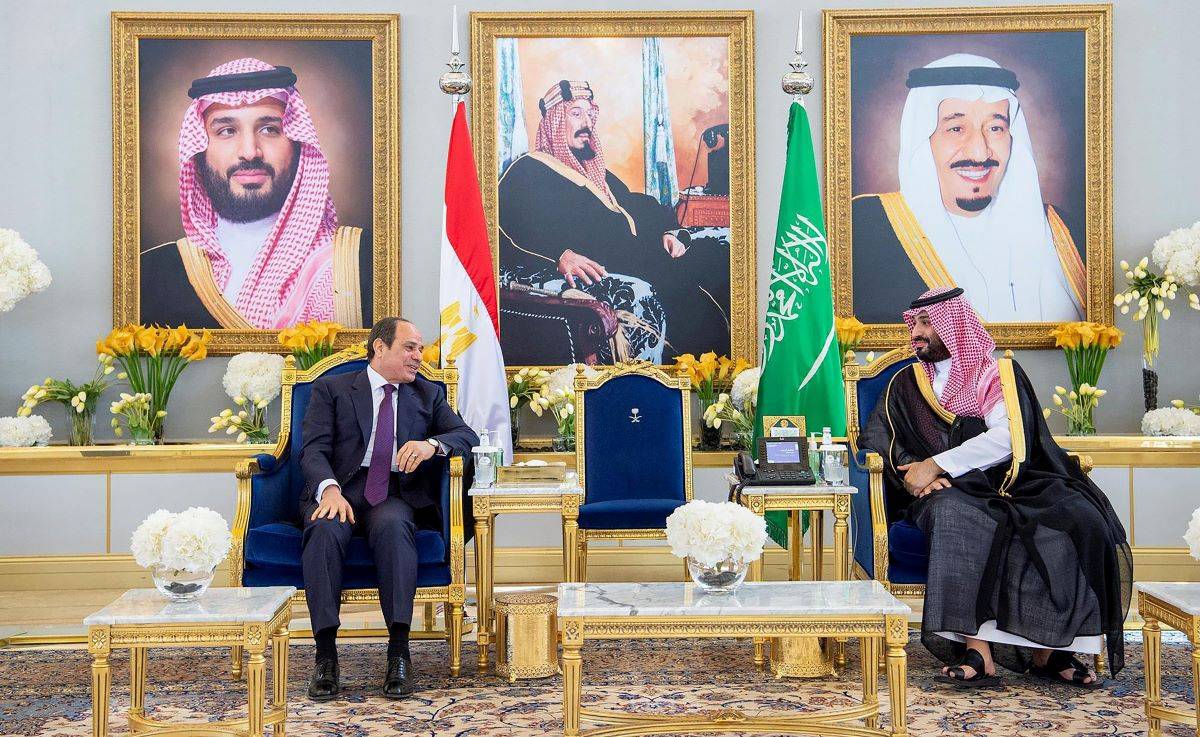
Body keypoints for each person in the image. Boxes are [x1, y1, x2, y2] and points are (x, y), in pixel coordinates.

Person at [860, 287, 1131, 689]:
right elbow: (882, 440)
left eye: (926, 323)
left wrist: (937, 462)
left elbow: (1008, 438)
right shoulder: (905, 382)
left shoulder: (994, 373)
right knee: (958, 515)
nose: (915, 332)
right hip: (946, 491)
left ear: (954, 326)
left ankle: (1051, 650)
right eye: (913, 323)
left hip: (1015, 481)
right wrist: (919, 475)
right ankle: (977, 652)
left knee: (1080, 517)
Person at [298, 317, 477, 700]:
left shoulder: (427, 394)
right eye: (409, 348)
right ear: (380, 347)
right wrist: (329, 490)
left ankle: (399, 652)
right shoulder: (332, 389)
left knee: (395, 528)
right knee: (324, 529)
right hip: (341, 488)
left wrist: (432, 445)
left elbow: (466, 436)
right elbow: (313, 449)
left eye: (420, 349)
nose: (419, 356)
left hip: (394, 494)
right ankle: (325, 656)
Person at [498, 79, 729, 362]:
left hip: (648, 258)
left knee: (718, 258)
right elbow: (510, 225)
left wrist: (668, 232)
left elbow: (636, 206)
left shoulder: (596, 174)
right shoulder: (529, 171)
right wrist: (559, 255)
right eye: (576, 114)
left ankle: (719, 374)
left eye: (589, 114)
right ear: (554, 122)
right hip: (619, 270)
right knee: (690, 294)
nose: (587, 123)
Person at [140, 57, 372, 330]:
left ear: (298, 144)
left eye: (269, 129)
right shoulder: (151, 273)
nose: (250, 152)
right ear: (199, 150)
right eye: (227, 131)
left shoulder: (363, 260)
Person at [853, 54, 1085, 324]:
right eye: (956, 128)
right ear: (923, 140)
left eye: (996, 128)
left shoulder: (1063, 230)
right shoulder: (867, 228)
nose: (979, 152)